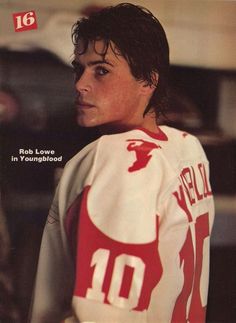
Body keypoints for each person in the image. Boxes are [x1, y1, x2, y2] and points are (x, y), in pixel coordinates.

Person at [30, 3, 214, 323]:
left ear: (147, 81)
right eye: (79, 68)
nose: (80, 84)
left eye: (101, 70)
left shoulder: (118, 161)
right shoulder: (189, 148)